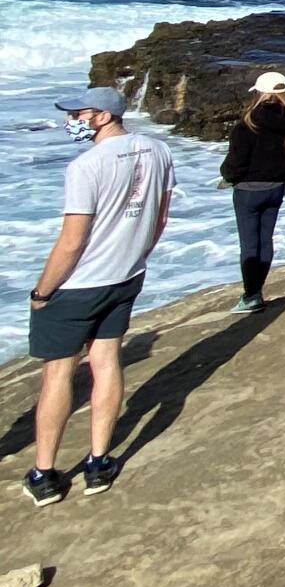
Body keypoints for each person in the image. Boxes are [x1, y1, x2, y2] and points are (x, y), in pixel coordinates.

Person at [23, 86, 173, 506]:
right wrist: (137, 255)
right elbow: (159, 217)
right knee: (107, 361)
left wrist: (42, 291)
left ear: (103, 116)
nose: (72, 120)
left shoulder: (86, 166)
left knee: (58, 374)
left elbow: (71, 242)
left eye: (79, 113)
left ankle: (45, 473)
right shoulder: (157, 150)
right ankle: (98, 462)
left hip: (79, 284)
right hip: (127, 273)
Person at [220, 71, 285, 313]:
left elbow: (235, 164)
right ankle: (256, 291)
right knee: (265, 240)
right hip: (275, 188)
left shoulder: (249, 124)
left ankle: (251, 295)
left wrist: (227, 176)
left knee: (249, 244)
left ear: (261, 93)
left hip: (248, 190)